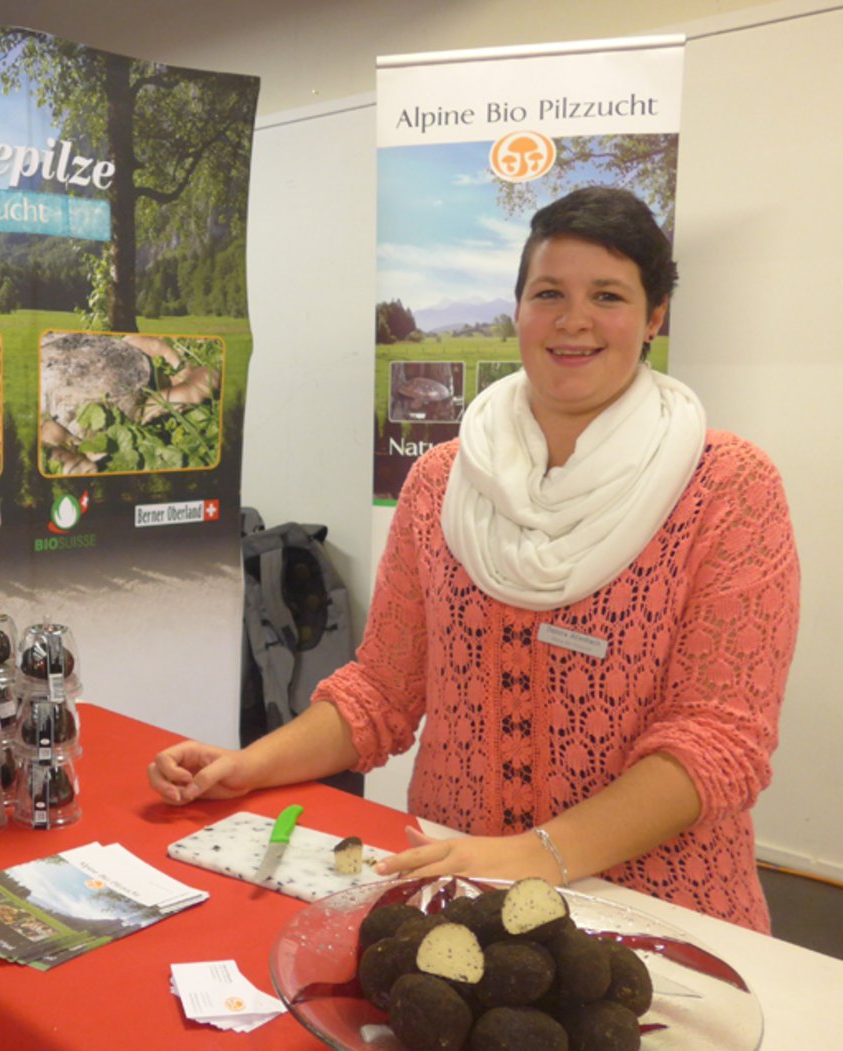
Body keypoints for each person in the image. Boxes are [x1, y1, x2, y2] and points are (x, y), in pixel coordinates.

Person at [148, 186, 800, 933]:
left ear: (655, 317)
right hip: (462, 895)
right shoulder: (441, 483)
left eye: (609, 295)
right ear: (517, 308)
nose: (574, 319)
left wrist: (535, 853)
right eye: (548, 292)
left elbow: (717, 742)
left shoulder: (729, 487)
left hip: (655, 913)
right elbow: (381, 690)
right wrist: (247, 765)